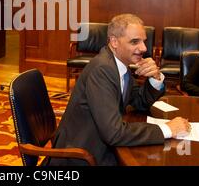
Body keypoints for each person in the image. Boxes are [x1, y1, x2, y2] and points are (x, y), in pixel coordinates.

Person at [48, 14, 190, 166]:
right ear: (114, 42)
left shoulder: (120, 65)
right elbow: (114, 133)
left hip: (99, 142)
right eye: (135, 41)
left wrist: (155, 78)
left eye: (144, 41)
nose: (143, 48)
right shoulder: (103, 69)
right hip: (82, 153)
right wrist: (167, 129)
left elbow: (139, 102)